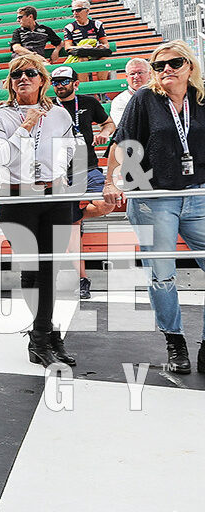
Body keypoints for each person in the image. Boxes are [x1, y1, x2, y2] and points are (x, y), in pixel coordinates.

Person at [104, 41, 205, 374]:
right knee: (163, 275)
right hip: (155, 197)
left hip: (199, 196)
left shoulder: (201, 100)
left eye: (175, 63)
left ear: (190, 66)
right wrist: (109, 182)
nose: (167, 70)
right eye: (160, 65)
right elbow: (123, 142)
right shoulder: (144, 99)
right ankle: (175, 341)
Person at [0, 54, 78, 367]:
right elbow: (4, 158)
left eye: (30, 73)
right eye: (16, 75)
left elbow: (69, 153)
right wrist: (26, 125)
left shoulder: (61, 114)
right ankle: (44, 336)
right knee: (32, 269)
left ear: (42, 79)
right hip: (16, 198)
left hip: (54, 196)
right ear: (10, 83)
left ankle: (43, 337)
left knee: (49, 269)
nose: (22, 78)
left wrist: (52, 175)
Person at [52, 65, 116, 298]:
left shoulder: (88, 102)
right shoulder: (48, 106)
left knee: (107, 203)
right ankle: (82, 280)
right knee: (71, 229)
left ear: (75, 83)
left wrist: (105, 133)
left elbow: (109, 123)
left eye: (64, 81)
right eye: (55, 81)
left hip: (88, 167)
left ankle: (75, 214)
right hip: (60, 174)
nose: (59, 85)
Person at [62, 0, 109, 75]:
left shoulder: (97, 24)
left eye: (78, 10)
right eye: (73, 11)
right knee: (83, 59)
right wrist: (81, 47)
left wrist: (100, 46)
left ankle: (102, 85)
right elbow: (67, 47)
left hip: (94, 53)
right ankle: (84, 86)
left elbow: (106, 44)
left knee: (103, 59)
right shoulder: (70, 27)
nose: (75, 13)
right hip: (79, 55)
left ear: (87, 11)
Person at [110, 58, 153, 126]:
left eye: (140, 72)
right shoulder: (120, 101)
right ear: (127, 77)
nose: (136, 76)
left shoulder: (160, 94)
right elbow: (124, 127)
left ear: (149, 74)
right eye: (132, 74)